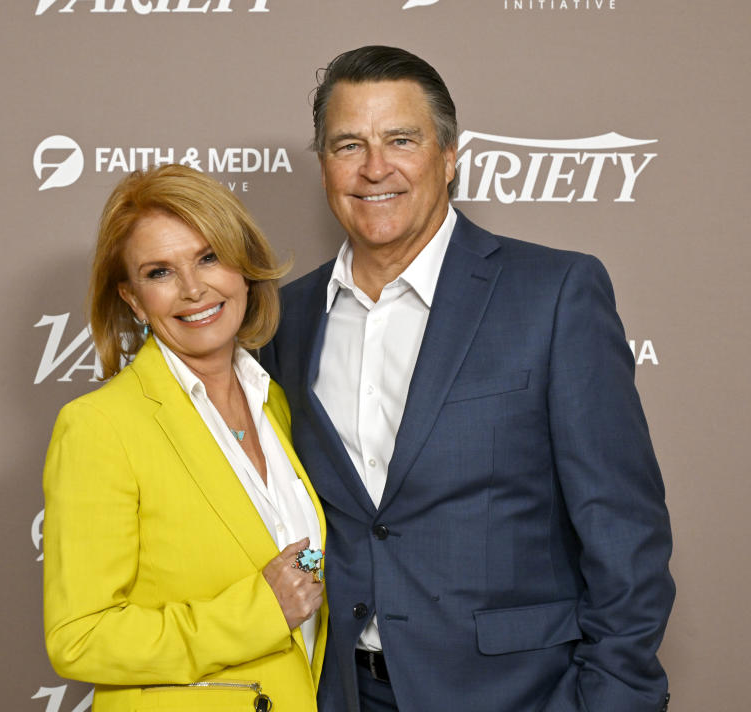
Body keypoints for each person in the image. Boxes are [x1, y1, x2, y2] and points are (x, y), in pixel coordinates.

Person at [261, 46, 674, 712]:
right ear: (323, 167)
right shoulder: (286, 317)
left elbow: (624, 532)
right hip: (341, 692)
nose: (375, 168)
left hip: (519, 695)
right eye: (348, 145)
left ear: (450, 156)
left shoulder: (554, 293)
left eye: (401, 139)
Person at [43, 164, 327, 712]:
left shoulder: (278, 404)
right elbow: (79, 638)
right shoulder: (100, 427)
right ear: (131, 298)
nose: (194, 288)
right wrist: (258, 612)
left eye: (208, 257)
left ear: (243, 266)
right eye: (159, 272)